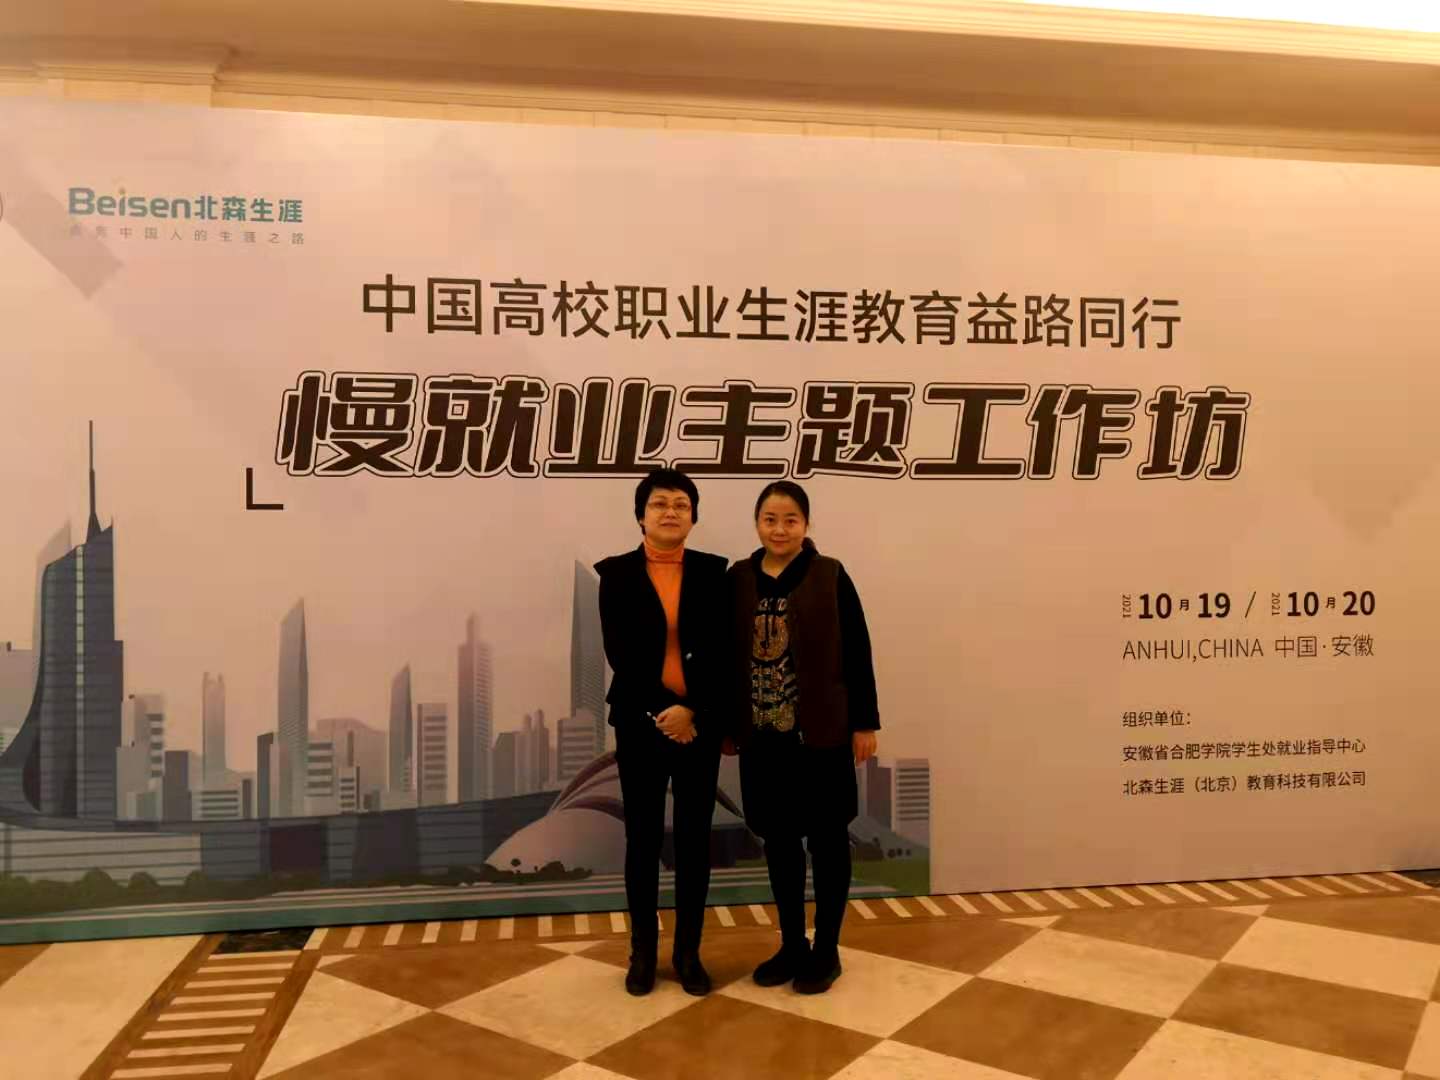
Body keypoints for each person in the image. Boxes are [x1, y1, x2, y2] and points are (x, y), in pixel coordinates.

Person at [726, 480, 880, 995]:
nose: (780, 529)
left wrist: (864, 723)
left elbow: (857, 649)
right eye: (770, 519)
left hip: (822, 735)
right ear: (757, 523)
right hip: (762, 738)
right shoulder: (738, 578)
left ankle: (827, 949)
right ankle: (792, 944)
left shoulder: (829, 574)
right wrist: (729, 726)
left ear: (806, 525)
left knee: (829, 838)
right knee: (779, 840)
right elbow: (725, 657)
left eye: (790, 519)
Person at [594, 468, 728, 997]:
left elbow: (721, 652)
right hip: (640, 723)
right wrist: (664, 709)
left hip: (698, 727)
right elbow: (620, 654)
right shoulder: (616, 574)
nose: (670, 512)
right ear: (641, 515)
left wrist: (692, 710)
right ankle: (643, 953)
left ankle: (688, 953)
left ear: (693, 517)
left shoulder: (714, 573)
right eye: (659, 504)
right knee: (643, 840)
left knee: (695, 841)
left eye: (681, 504)